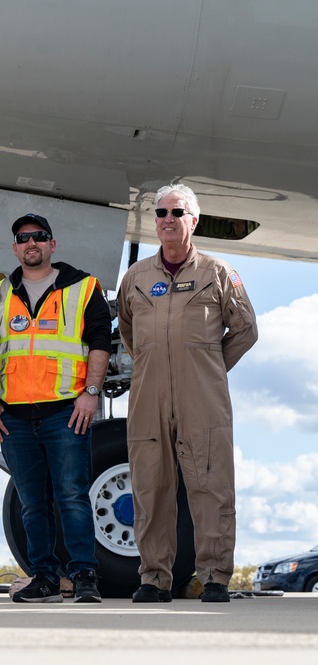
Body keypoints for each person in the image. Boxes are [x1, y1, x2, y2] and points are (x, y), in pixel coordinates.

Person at [117, 184, 258, 603]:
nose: (167, 219)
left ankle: (213, 576)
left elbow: (246, 329)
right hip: (148, 396)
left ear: (193, 220)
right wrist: (155, 364)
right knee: (150, 487)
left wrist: (208, 366)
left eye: (176, 212)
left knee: (211, 485)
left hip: (203, 396)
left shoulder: (217, 273)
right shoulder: (136, 278)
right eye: (160, 213)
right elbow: (127, 329)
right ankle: (153, 578)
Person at [0, 214, 111, 603]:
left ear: (53, 244)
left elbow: (100, 339)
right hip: (14, 414)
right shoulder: (0, 293)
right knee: (32, 503)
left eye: (39, 237)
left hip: (65, 411)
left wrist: (92, 392)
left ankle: (84, 576)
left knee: (72, 496)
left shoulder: (84, 287)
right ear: (15, 248)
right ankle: (45, 577)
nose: (30, 243)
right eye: (23, 238)